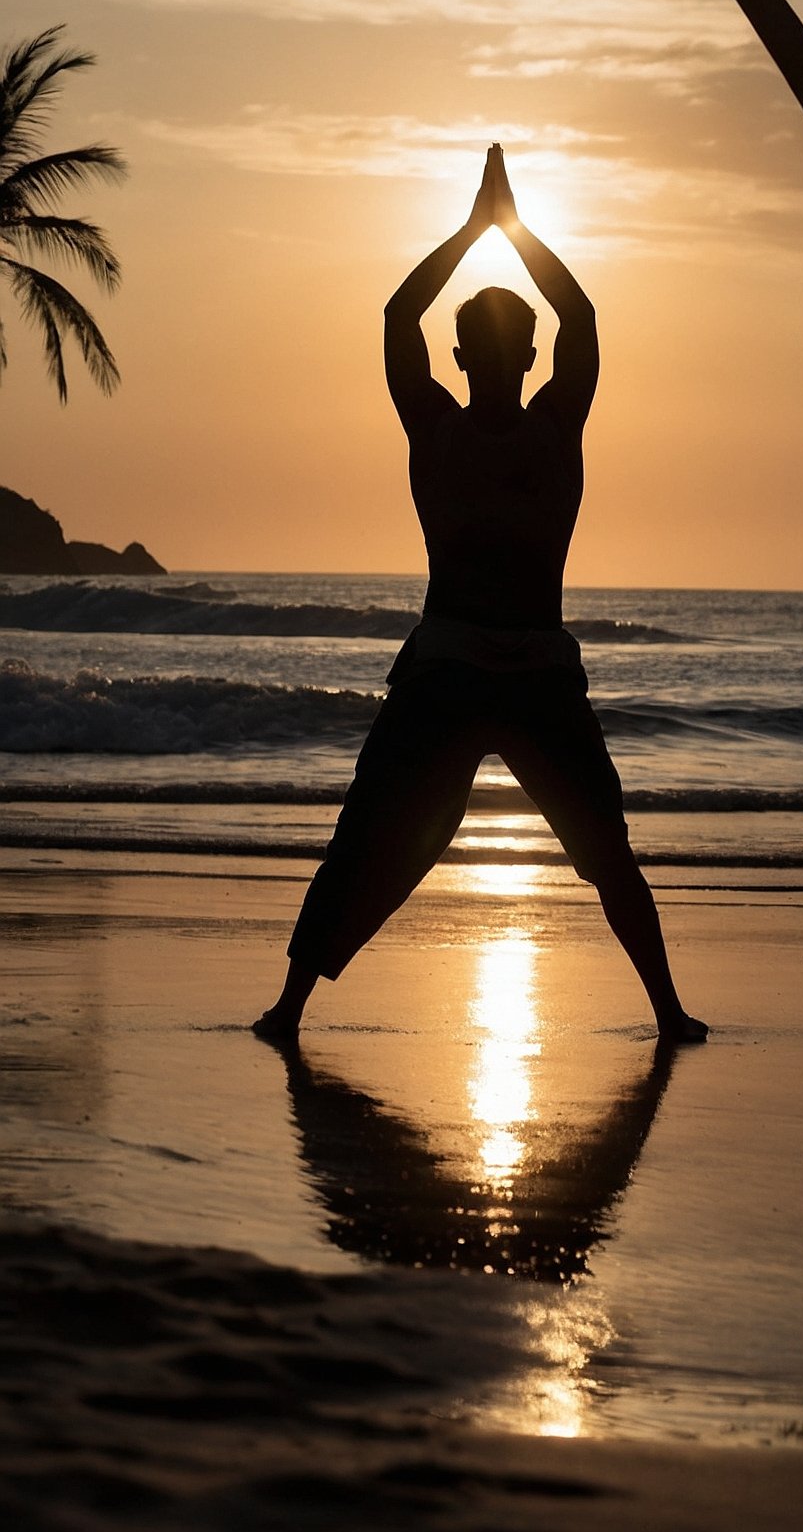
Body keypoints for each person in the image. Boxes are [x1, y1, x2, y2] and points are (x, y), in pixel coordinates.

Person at [254, 145, 706, 1046]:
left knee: (605, 847)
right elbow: (397, 315)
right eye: (486, 350)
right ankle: (290, 1008)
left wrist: (510, 227)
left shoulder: (555, 422)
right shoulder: (437, 426)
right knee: (375, 834)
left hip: (538, 670)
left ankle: (666, 1010)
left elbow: (579, 311)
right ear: (462, 356)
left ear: (531, 356)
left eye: (515, 349)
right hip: (448, 668)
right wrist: (479, 229)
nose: (500, 362)